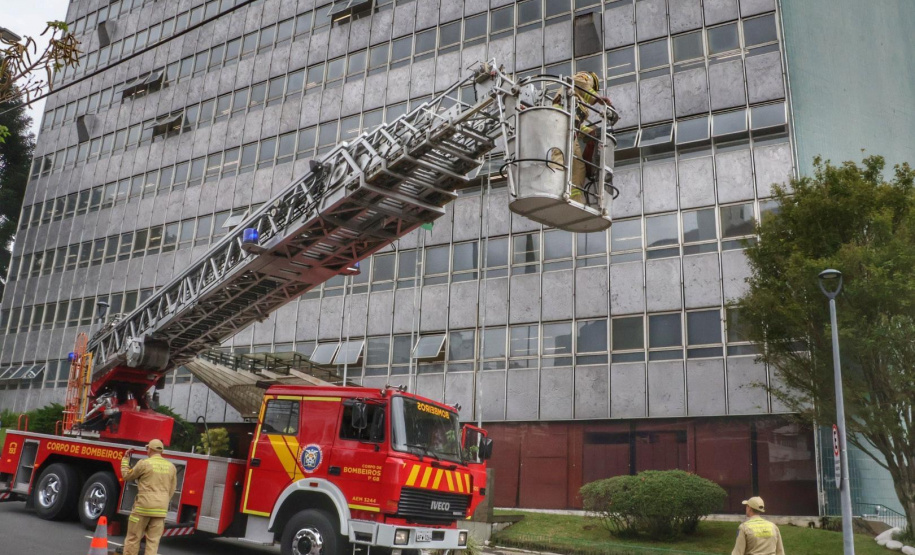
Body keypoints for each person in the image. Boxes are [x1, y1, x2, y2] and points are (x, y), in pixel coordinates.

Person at [550, 71, 614, 203]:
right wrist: (597, 98)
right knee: (560, 154)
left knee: (579, 167)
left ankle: (576, 199)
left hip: (571, 127)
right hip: (561, 118)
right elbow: (579, 83)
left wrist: (592, 133)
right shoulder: (585, 77)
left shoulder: (579, 103)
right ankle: (552, 187)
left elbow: (579, 126)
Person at [121, 439, 178, 555]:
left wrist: (125, 460)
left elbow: (127, 476)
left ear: (150, 449)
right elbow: (172, 490)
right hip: (160, 510)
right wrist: (163, 501)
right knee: (153, 542)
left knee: (133, 538)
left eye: (147, 449)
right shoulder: (171, 467)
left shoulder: (144, 463)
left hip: (142, 508)